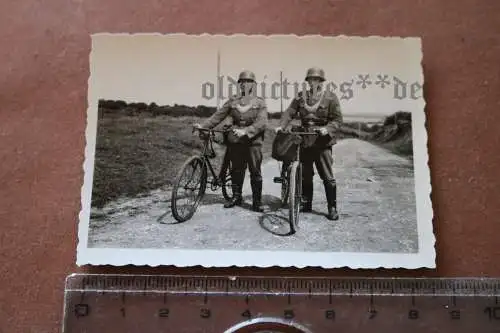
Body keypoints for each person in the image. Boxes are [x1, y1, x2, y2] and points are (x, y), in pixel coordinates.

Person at [194, 70, 268, 212]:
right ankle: (236, 196)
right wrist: (203, 126)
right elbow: (218, 116)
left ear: (253, 85)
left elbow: (262, 123)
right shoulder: (233, 101)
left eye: (248, 82)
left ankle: (257, 202)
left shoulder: (260, 102)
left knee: (255, 171)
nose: (244, 85)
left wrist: (246, 131)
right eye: (242, 82)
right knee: (236, 170)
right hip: (236, 141)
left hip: (253, 141)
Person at [274, 67, 343, 220]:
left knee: (327, 176)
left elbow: (337, 120)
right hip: (305, 139)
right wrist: (282, 125)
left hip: (322, 141)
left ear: (321, 82)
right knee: (305, 174)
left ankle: (332, 207)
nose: (313, 82)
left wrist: (327, 128)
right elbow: (289, 113)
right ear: (308, 81)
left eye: (317, 80)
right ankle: (307, 203)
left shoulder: (330, 98)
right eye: (311, 79)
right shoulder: (301, 97)